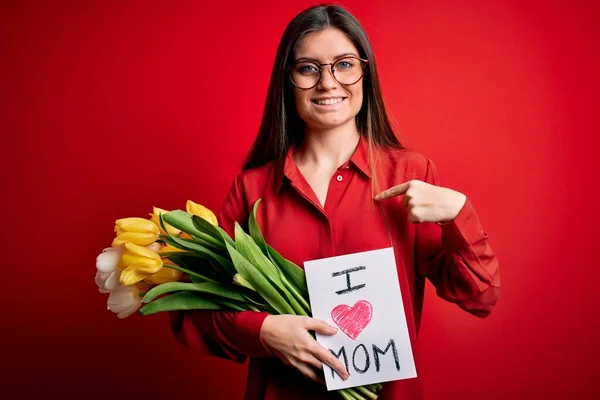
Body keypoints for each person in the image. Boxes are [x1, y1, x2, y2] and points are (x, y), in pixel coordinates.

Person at [169, 4, 500, 400]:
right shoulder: (252, 189)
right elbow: (193, 313)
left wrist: (458, 216)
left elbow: (480, 297)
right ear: (287, 80)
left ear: (365, 72)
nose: (328, 83)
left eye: (344, 64)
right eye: (308, 68)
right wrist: (264, 331)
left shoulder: (410, 175)